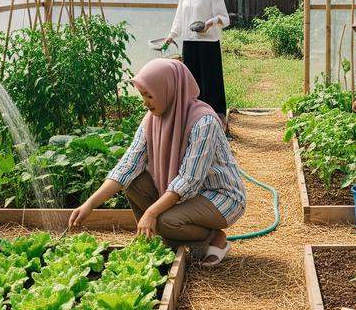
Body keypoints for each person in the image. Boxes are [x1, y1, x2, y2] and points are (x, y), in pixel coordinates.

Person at [68, 58, 246, 266]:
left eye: (150, 95)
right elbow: (128, 165)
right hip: (184, 195)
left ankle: (214, 237)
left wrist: (151, 212)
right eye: (142, 95)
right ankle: (166, 237)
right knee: (132, 181)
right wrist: (89, 204)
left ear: (168, 90)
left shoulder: (203, 122)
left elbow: (189, 179)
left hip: (219, 195)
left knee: (164, 222)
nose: (145, 102)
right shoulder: (151, 120)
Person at [164, 0, 229, 125]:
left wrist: (210, 23)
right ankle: (194, 117)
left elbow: (225, 18)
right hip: (189, 42)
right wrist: (171, 35)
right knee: (191, 81)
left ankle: (216, 118)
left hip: (208, 43)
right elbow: (179, 16)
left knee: (211, 81)